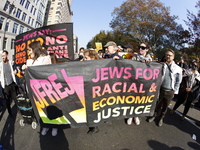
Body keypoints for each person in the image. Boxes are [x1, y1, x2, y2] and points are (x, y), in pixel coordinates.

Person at [21, 41, 58, 136]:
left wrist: (31, 68)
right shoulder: (29, 61)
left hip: (45, 90)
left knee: (50, 109)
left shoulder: (45, 59)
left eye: (29, 50)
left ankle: (55, 126)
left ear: (35, 49)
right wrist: (24, 69)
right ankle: (46, 126)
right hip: (34, 92)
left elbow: (47, 73)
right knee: (41, 110)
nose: (28, 53)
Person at [147, 49, 182, 127]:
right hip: (160, 89)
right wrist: (147, 61)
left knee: (165, 106)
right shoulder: (161, 65)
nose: (168, 56)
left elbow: (178, 82)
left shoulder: (178, 69)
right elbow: (152, 64)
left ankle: (161, 118)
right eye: (166, 55)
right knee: (157, 104)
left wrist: (174, 92)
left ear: (173, 57)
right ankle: (154, 115)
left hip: (170, 91)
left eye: (170, 55)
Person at [127, 42, 152, 126]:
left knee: (140, 100)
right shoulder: (134, 57)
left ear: (147, 49)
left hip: (144, 84)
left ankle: (136, 116)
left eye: (143, 47)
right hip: (134, 83)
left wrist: (147, 64)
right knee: (132, 99)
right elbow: (127, 64)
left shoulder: (150, 60)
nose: (140, 49)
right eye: (139, 47)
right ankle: (131, 115)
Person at [83, 49, 100, 134]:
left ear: (92, 57)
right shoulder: (85, 65)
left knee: (93, 109)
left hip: (96, 92)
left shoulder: (100, 66)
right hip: (88, 91)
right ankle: (93, 125)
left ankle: (94, 126)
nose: (84, 60)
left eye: (86, 58)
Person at [0, 50, 17, 117]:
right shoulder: (0, 65)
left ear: (7, 55)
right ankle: (10, 114)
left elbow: (16, 68)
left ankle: (18, 111)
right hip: (6, 86)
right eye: (2, 56)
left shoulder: (11, 63)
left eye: (4, 56)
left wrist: (15, 70)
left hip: (12, 84)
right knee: (7, 101)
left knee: (15, 98)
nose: (3, 57)